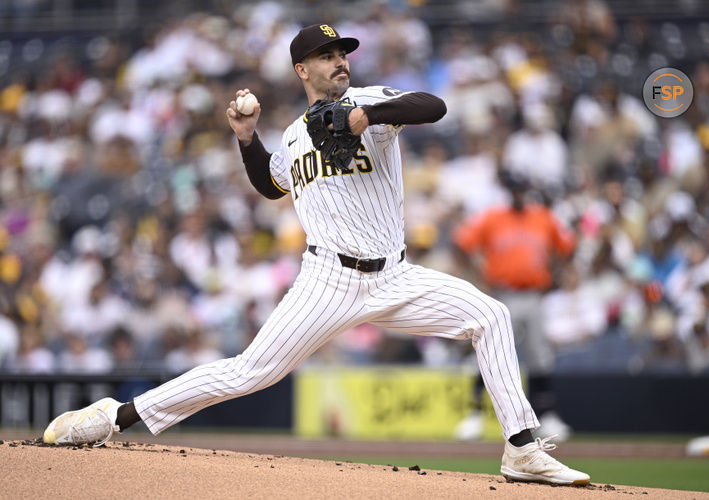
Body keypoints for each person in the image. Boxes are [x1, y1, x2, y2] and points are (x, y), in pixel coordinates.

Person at [42, 23, 589, 486]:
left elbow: (434, 105)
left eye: (342, 53)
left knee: (491, 316)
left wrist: (364, 119)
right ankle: (115, 415)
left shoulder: (371, 102)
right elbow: (271, 184)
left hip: (395, 274)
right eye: (325, 56)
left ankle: (521, 448)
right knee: (248, 373)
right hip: (327, 279)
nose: (339, 62)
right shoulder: (295, 135)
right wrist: (247, 137)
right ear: (301, 69)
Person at [453, 170, 576, 442]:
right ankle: (475, 415)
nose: (519, 194)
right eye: (515, 190)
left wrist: (555, 275)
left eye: (523, 190)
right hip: (503, 294)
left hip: (533, 295)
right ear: (510, 191)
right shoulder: (493, 217)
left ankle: (547, 416)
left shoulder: (543, 217)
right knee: (490, 352)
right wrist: (478, 276)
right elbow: (461, 243)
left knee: (540, 356)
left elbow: (568, 246)